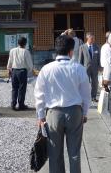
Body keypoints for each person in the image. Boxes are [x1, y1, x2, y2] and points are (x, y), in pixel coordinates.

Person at [34, 35, 91, 173]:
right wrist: (84, 113)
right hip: (74, 112)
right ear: (71, 51)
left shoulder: (46, 69)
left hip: (53, 113)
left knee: (54, 153)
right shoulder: (79, 68)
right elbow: (86, 94)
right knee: (75, 153)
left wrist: (41, 116)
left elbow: (39, 95)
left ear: (56, 49)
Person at [6, 37, 33, 111]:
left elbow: (10, 61)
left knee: (14, 88)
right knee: (22, 89)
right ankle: (21, 104)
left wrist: (9, 68)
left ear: (18, 43)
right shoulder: (26, 51)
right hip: (22, 71)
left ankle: (13, 104)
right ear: (25, 43)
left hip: (14, 71)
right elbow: (29, 64)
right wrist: (29, 70)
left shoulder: (12, 50)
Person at [79, 32, 101, 102]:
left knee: (95, 83)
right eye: (91, 38)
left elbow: (98, 58)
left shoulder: (96, 47)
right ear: (87, 38)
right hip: (85, 68)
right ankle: (85, 96)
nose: (93, 40)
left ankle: (93, 97)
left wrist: (99, 66)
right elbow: (80, 59)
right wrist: (80, 68)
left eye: (94, 38)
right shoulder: (82, 47)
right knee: (85, 83)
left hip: (94, 68)